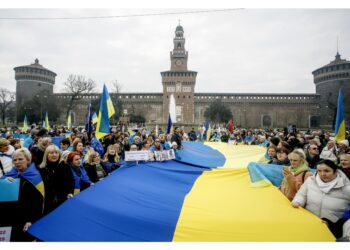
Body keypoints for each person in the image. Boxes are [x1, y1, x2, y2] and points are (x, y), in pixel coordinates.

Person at [292, 159, 350, 239]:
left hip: (333, 228)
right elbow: (301, 195)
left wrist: (337, 224)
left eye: (327, 171)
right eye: (319, 171)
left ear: (335, 171)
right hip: (310, 223)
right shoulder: (310, 181)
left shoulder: (346, 187)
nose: (322, 174)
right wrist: (298, 201)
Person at [2, 148, 44, 241]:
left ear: (28, 160)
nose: (17, 162)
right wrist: (5, 183)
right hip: (13, 218)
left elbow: (38, 202)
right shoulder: (11, 174)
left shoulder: (36, 176)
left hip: (28, 219)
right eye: (15, 160)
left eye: (20, 159)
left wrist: (31, 219)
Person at [38, 145, 62, 214]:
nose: (54, 155)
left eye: (56, 152)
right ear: (46, 155)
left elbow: (70, 182)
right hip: (47, 203)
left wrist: (69, 192)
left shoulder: (64, 166)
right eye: (51, 153)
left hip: (62, 201)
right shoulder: (41, 169)